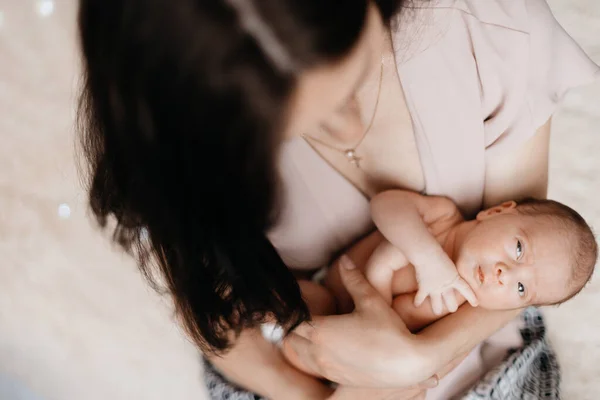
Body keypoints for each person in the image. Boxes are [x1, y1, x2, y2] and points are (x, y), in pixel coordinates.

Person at [76, 0, 599, 398]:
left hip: (476, 354)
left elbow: (535, 264)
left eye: (355, 81)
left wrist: (421, 361)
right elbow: (221, 327)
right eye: (294, 128)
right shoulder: (180, 146)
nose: (348, 131)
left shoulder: (481, 22)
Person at [307, 192, 597, 331]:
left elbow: (385, 321)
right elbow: (384, 205)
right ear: (496, 211)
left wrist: (381, 270)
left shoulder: (450, 299)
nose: (505, 274)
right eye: (519, 249)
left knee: (307, 324)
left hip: (337, 321)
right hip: (321, 277)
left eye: (521, 289)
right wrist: (426, 257)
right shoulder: (443, 216)